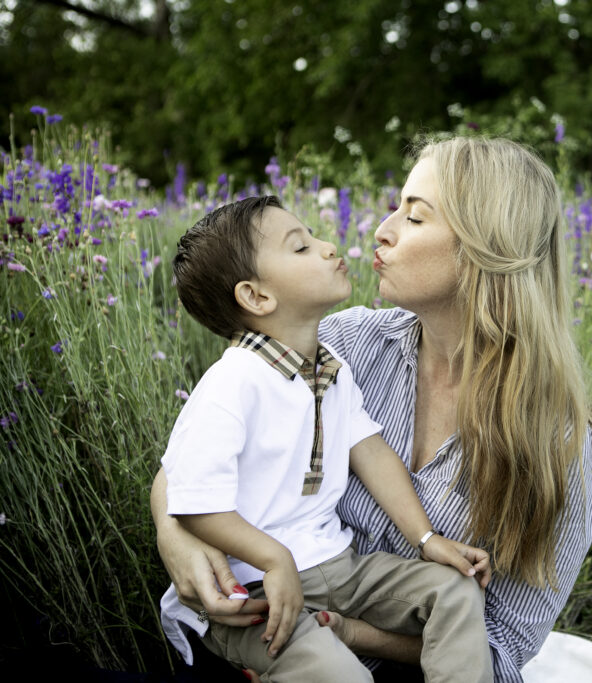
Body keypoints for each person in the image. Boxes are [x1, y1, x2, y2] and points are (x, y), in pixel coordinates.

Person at [151, 137, 592, 682]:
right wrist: (174, 537)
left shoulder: (559, 446)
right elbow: (185, 466)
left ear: (481, 251)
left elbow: (501, 648)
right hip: (259, 622)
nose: (382, 230)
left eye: (414, 217)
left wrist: (345, 632)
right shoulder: (340, 345)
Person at [157, 195, 493, 682]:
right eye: (301, 248)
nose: (329, 246)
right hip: (255, 593)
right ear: (256, 297)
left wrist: (426, 539)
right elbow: (192, 502)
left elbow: (371, 453)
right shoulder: (232, 384)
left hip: (337, 566)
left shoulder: (330, 366)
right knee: (341, 675)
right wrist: (275, 559)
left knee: (456, 590)